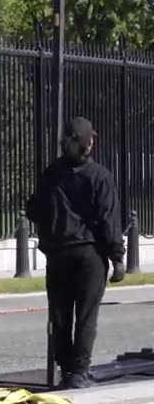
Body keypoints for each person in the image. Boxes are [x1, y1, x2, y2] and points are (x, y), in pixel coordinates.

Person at [25, 117, 125, 389]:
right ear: (88, 142)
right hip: (89, 254)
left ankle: (65, 367)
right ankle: (78, 372)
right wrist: (117, 257)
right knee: (86, 315)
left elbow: (34, 209)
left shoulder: (51, 174)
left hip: (58, 252)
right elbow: (108, 219)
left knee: (60, 315)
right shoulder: (99, 176)